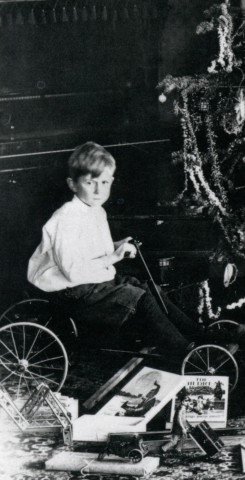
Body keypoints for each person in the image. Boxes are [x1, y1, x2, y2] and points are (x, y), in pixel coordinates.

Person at [27, 142, 210, 355]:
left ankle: (200, 335)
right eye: (90, 182)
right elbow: (73, 271)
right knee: (138, 298)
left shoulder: (96, 210)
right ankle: (185, 351)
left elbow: (90, 249)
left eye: (104, 182)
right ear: (73, 184)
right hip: (72, 291)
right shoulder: (66, 217)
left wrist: (116, 246)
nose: (98, 190)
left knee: (150, 289)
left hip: (92, 283)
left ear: (111, 181)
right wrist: (114, 257)